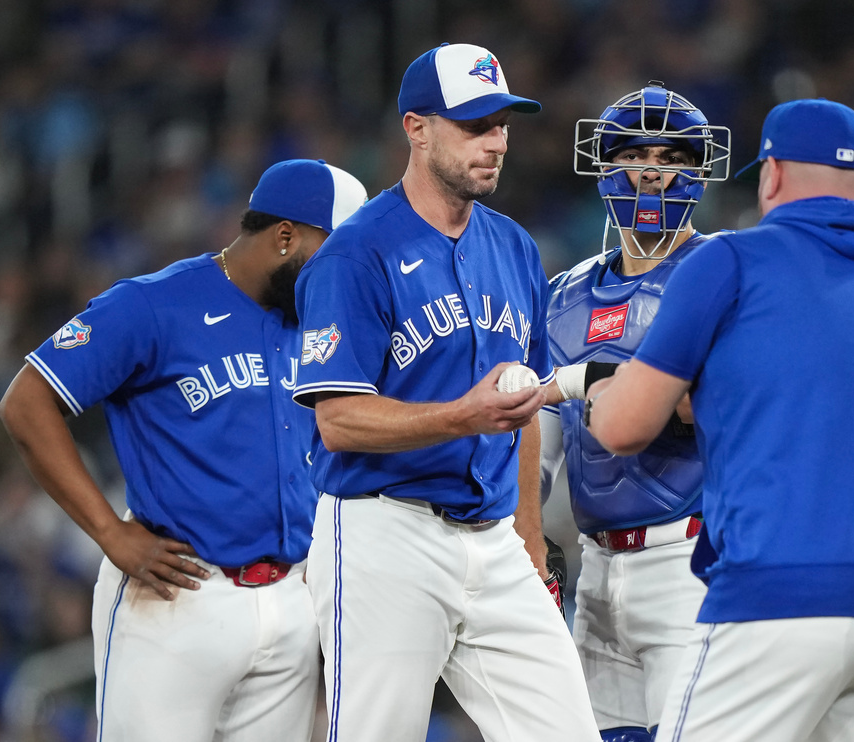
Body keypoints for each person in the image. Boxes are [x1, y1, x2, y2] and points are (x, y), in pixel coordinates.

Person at [584, 98, 854, 742]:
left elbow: (623, 427)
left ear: (772, 175)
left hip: (786, 588)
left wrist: (592, 391)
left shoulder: (731, 260)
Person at [291, 42, 601, 742]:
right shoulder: (355, 254)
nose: (495, 143)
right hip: (382, 533)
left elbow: (519, 407)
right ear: (416, 127)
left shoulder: (516, 247)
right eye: (475, 125)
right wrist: (464, 414)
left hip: (492, 539)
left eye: (502, 125)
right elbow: (338, 421)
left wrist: (528, 533)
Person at [0, 159, 368, 742]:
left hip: (290, 600)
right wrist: (109, 532)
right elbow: (26, 402)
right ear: (286, 236)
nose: (346, 275)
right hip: (177, 597)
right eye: (336, 254)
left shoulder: (317, 324)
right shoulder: (153, 304)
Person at [540, 83, 730, 742]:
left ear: (699, 171)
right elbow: (541, 443)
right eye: (634, 152)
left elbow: (701, 407)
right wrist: (530, 540)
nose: (651, 169)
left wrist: (584, 379)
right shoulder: (561, 295)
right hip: (594, 572)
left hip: (692, 561)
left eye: (672, 154)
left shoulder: (724, 271)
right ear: (604, 166)